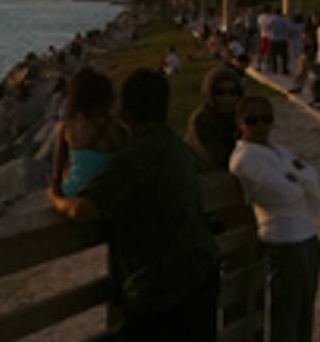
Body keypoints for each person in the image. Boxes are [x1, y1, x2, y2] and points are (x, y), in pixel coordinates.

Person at [49, 69, 219, 341]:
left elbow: (83, 210)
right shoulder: (172, 143)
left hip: (163, 289)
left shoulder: (137, 155)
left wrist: (55, 199)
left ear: (125, 108)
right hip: (199, 274)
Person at [229, 96, 320, 342]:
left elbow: (312, 176)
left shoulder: (277, 150)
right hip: (283, 239)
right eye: (252, 120)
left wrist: (296, 178)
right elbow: (284, 192)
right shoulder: (245, 159)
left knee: (304, 310)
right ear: (240, 123)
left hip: (307, 236)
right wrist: (299, 178)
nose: (260, 126)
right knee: (286, 313)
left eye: (267, 119)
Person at [51, 68, 129, 196]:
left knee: (67, 169)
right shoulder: (119, 129)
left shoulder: (68, 128)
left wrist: (55, 188)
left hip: (76, 194)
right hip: (108, 195)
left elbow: (57, 174)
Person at [186, 66, 243, 171]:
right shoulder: (202, 120)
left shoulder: (241, 114)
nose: (227, 98)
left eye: (232, 92)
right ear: (210, 95)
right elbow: (217, 159)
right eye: (220, 93)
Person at [268, 7, 290, 76]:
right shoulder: (284, 20)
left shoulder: (271, 19)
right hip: (282, 40)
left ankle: (274, 69)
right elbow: (287, 29)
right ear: (280, 12)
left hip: (273, 39)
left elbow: (268, 27)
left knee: (273, 55)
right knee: (284, 56)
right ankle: (284, 69)